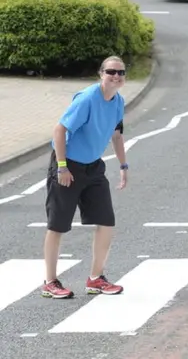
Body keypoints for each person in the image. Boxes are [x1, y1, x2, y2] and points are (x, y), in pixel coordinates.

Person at [41, 56, 129, 299]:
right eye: (111, 71)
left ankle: (95, 278)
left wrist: (123, 164)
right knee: (58, 224)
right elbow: (59, 130)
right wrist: (61, 167)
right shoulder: (88, 98)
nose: (116, 76)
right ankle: (50, 281)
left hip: (93, 167)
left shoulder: (118, 101)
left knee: (106, 221)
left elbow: (117, 135)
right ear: (101, 73)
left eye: (121, 72)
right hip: (67, 164)